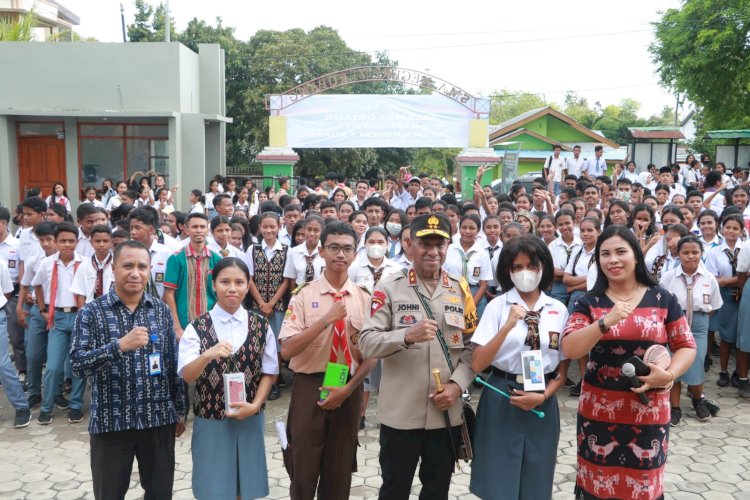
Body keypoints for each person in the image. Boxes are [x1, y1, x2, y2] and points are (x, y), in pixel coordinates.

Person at [561, 225, 696, 499]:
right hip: (599, 413)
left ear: (636, 255)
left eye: (621, 251)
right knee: (597, 483)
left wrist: (668, 376)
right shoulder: (588, 303)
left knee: (643, 483)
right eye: (605, 254)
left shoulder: (662, 298)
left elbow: (686, 346)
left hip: (649, 411)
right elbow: (571, 348)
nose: (613, 260)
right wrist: (604, 322)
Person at [359, 213, 477, 500]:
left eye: (440, 244)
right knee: (394, 489)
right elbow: (366, 343)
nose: (433, 251)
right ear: (410, 245)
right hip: (401, 414)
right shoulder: (389, 287)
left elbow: (473, 348)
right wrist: (405, 336)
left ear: (448, 246)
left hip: (444, 412)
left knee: (438, 491)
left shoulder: (460, 290)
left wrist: (458, 385)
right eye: (426, 244)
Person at [71, 240, 186, 499]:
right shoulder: (91, 312)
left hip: (157, 419)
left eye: (142, 266)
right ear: (113, 268)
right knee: (109, 494)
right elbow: (77, 365)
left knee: (159, 493)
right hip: (111, 423)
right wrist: (119, 346)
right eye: (128, 265)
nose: (135, 272)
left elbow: (171, 363)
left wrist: (180, 410)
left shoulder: (161, 311)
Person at [278, 221, 376, 499]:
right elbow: (286, 350)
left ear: (356, 254)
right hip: (310, 385)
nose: (340, 255)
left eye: (347, 249)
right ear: (321, 251)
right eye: (333, 247)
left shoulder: (364, 298)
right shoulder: (302, 295)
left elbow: (371, 356)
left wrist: (348, 388)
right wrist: (325, 321)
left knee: (339, 469)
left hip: (348, 385)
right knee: (303, 467)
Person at [470, 235, 569, 499]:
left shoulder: (558, 309)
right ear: (507, 271)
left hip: (542, 399)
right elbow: (478, 363)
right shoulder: (497, 307)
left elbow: (563, 369)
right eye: (517, 267)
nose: (525, 273)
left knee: (537, 476)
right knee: (498, 479)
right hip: (503, 395)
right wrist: (508, 326)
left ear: (543, 268)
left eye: (532, 266)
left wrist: (544, 395)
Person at [178, 257, 276, 499]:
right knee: (213, 485)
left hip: (250, 416)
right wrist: (206, 356)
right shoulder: (197, 327)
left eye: (239, 282)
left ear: (247, 285)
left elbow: (270, 372)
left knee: (246, 484)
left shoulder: (261, 325)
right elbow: (187, 375)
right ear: (214, 285)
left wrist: (254, 406)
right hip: (211, 418)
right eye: (225, 282)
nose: (232, 288)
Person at [660, 235, 722, 423]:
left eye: (695, 252)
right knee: (674, 366)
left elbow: (714, 306)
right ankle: (675, 407)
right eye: (685, 252)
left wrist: (697, 320)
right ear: (678, 254)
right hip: (673, 325)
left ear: (701, 254)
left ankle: (698, 400)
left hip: (698, 326)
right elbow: (662, 305)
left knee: (696, 363)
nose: (690, 256)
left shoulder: (709, 278)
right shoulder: (669, 277)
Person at [31, 221, 86, 425]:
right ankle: (46, 407)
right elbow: (36, 284)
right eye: (62, 241)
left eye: (71, 241)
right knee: (53, 366)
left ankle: (76, 406)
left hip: (80, 317)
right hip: (58, 318)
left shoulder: (85, 262)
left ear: (77, 242)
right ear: (55, 242)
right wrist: (43, 309)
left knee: (78, 364)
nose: (67, 245)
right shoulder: (47, 263)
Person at [247, 212, 289, 401]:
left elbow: (287, 281)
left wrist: (271, 303)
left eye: (272, 226)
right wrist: (262, 303)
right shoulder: (252, 250)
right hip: (257, 307)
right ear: (260, 228)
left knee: (277, 346)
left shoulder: (287, 250)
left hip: (278, 306)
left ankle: (274, 382)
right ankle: (258, 381)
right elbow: (249, 279)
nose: (269, 230)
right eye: (265, 227)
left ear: (279, 227)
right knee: (259, 344)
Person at [163, 213, 222, 338]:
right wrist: (177, 327)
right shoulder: (176, 259)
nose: (199, 230)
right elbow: (169, 294)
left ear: (207, 229)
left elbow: (220, 293)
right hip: (184, 324)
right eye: (194, 227)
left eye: (202, 227)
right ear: (186, 229)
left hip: (213, 323)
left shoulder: (217, 259)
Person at [705, 214, 744, 387]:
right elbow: (714, 281)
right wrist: (740, 278)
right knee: (727, 336)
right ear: (721, 228)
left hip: (744, 295)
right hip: (726, 296)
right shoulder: (715, 253)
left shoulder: (746, 249)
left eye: (736, 228)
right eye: (728, 227)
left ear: (742, 231)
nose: (731, 231)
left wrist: (732, 280)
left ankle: (740, 372)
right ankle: (723, 371)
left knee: (742, 337)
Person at [443, 214, 492, 318]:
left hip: (475, 294)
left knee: (474, 331)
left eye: (472, 228)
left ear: (478, 231)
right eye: (464, 227)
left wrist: (471, 305)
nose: (467, 231)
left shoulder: (482, 253)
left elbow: (483, 285)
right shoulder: (449, 249)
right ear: (459, 229)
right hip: (451, 292)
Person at [70, 225, 114, 307]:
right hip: (91, 310)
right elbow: (81, 294)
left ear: (111, 242)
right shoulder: (84, 266)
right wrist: (83, 315)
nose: (101, 244)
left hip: (113, 308)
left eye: (105, 241)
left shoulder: (117, 264)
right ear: (91, 243)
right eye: (97, 241)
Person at [283, 215, 324, 288]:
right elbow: (292, 279)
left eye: (316, 230)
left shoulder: (326, 251)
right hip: (300, 292)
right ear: (304, 229)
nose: (312, 233)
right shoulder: (294, 252)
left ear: (322, 232)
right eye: (309, 229)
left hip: (321, 292)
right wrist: (294, 297)